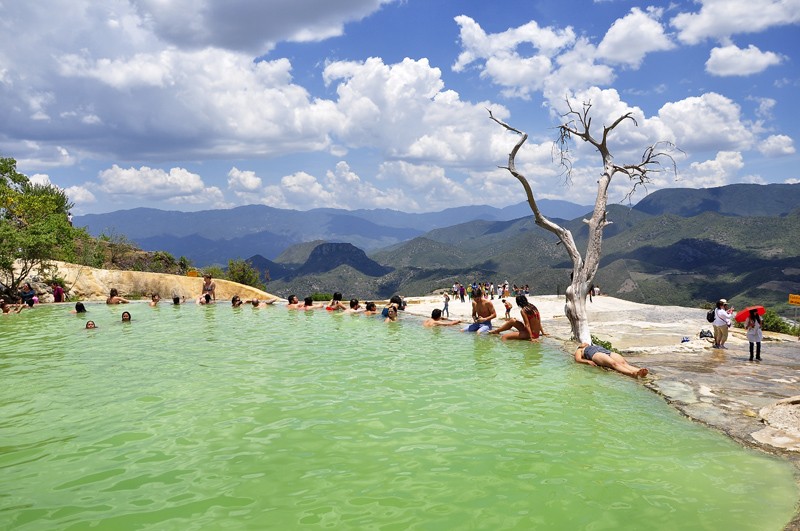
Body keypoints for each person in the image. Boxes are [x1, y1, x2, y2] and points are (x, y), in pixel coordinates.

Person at [574, 343, 648, 378]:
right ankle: (631, 373)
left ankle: (639, 371)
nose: (584, 342)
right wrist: (587, 361)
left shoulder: (592, 345)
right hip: (596, 354)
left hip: (606, 352)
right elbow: (578, 359)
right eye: (582, 343)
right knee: (613, 364)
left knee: (623, 363)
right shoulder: (580, 350)